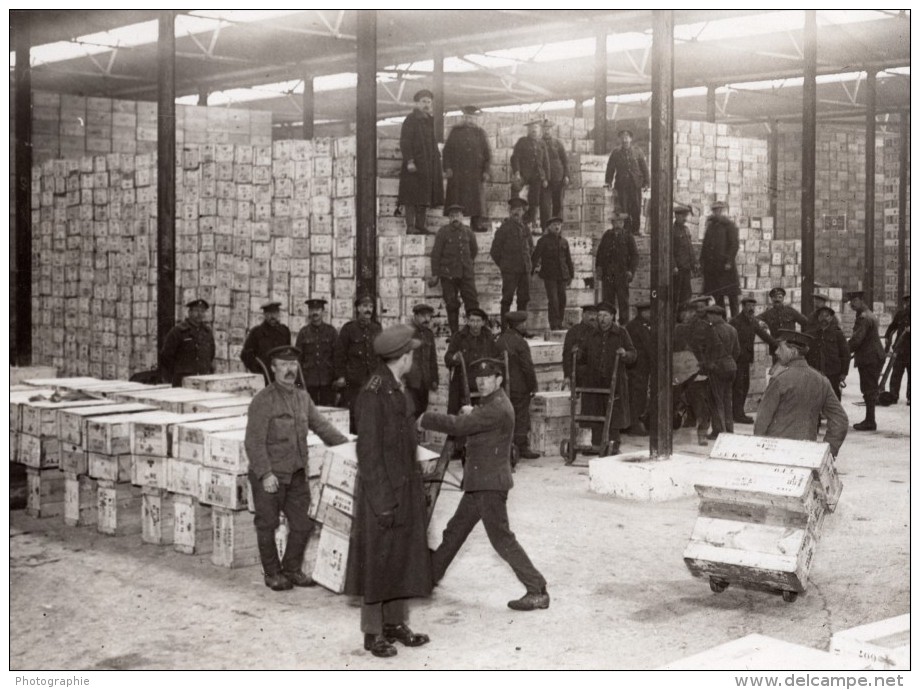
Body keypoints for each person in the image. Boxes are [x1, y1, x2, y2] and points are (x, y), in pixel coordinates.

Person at [418, 357, 549, 612]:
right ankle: (428, 578)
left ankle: (537, 589)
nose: (481, 381)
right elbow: (476, 417)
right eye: (479, 377)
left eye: (487, 377)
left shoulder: (497, 407)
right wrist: (473, 411)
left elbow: (461, 426)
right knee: (454, 532)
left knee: (502, 540)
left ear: (498, 379)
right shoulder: (492, 403)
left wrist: (426, 418)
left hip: (489, 486)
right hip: (480, 483)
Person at [345, 325, 432, 659]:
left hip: (404, 487)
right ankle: (373, 631)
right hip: (381, 492)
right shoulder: (374, 392)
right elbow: (368, 453)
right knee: (378, 560)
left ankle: (395, 623)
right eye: (412, 352)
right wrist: (382, 501)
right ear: (404, 356)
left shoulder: (397, 388)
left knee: (401, 556)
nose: (413, 357)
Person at [245, 345, 350, 592]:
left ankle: (291, 569)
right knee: (267, 524)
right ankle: (272, 573)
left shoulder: (303, 398)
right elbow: (254, 442)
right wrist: (265, 473)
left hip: (296, 474)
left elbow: (322, 426)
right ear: (273, 368)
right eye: (283, 364)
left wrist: (349, 448)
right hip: (270, 475)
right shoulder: (262, 401)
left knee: (303, 524)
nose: (289, 370)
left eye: (293, 364)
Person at [754, 331, 848, 457]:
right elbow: (840, 420)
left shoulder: (779, 380)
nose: (776, 352)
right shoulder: (821, 380)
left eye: (780, 347)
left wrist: (757, 451)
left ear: (793, 351)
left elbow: (762, 420)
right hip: (806, 454)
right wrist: (828, 452)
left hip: (775, 452)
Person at [576, 302, 637, 455]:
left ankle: (613, 444)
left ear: (612, 317)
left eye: (605, 316)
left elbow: (633, 354)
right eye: (599, 315)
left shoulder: (621, 333)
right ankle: (596, 444)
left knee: (614, 413)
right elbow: (582, 356)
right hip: (594, 381)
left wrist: (625, 354)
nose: (601, 319)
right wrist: (578, 353)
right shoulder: (591, 334)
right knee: (595, 412)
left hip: (614, 381)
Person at [398, 88, 443, 235]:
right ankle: (410, 226)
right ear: (417, 103)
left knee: (424, 196)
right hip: (414, 165)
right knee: (411, 197)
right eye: (423, 102)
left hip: (427, 166)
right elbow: (405, 142)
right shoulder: (410, 120)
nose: (427, 104)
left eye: (429, 102)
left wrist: (437, 162)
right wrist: (409, 160)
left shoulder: (429, 121)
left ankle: (420, 225)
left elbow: (432, 143)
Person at [495, 312, 540, 460]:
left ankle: (506, 446)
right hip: (520, 387)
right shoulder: (520, 342)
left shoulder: (499, 340)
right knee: (521, 416)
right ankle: (521, 447)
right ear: (518, 325)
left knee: (506, 416)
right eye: (524, 324)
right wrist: (533, 385)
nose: (526, 326)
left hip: (502, 387)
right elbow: (527, 366)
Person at [334, 295, 382, 432]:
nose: (369, 310)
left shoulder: (376, 329)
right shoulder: (349, 329)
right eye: (365, 306)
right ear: (358, 308)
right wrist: (341, 376)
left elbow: (381, 354)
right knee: (353, 415)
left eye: (371, 307)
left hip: (371, 381)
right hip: (353, 382)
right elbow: (339, 355)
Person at [431, 205, 480, 335]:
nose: (455, 218)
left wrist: (467, 264)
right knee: (452, 305)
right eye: (452, 216)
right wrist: (435, 273)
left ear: (462, 217)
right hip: (448, 275)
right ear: (449, 218)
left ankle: (472, 333)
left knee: (472, 302)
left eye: (458, 215)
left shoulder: (468, 232)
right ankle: (455, 334)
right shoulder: (443, 232)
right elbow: (436, 254)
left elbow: (474, 251)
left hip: (466, 274)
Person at [443, 105, 492, 233]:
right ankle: (456, 223)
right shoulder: (455, 131)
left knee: (476, 201)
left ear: (476, 119)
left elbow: (488, 154)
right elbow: (447, 151)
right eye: (467, 117)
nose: (469, 120)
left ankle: (476, 224)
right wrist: (447, 167)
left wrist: (486, 171)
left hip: (475, 173)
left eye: (472, 118)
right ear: (463, 117)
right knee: (457, 199)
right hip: (458, 172)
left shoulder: (480, 133)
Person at [729, 296, 777, 424]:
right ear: (743, 306)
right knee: (738, 387)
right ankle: (738, 415)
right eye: (749, 306)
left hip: (746, 360)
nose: (752, 308)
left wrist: (778, 345)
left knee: (745, 386)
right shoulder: (735, 322)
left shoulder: (753, 322)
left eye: (753, 306)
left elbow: (764, 335)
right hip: (736, 359)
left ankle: (738, 413)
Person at [445, 308, 500, 417]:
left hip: (483, 384)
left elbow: (496, 358)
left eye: (478, 321)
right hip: (462, 384)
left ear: (483, 322)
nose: (475, 324)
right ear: (468, 321)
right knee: (458, 418)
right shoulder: (459, 337)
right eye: (472, 321)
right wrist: (454, 358)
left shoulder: (488, 338)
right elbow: (448, 357)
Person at [674, 299, 713, 446]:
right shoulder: (677, 329)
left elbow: (709, 347)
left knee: (700, 402)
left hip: (698, 370)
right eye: (683, 313)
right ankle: (686, 421)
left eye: (688, 312)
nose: (685, 315)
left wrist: (704, 365)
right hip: (681, 370)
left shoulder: (704, 327)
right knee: (682, 399)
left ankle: (702, 433)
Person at [490, 197, 534, 323]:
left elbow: (530, 247)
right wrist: (505, 265)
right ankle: (505, 330)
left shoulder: (525, 228)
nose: (517, 212)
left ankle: (520, 329)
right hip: (510, 271)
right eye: (514, 209)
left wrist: (527, 263)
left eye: (519, 209)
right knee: (507, 299)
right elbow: (494, 251)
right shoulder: (504, 228)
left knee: (523, 299)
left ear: (523, 212)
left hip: (524, 270)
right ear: (510, 211)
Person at [847, 291, 886, 431]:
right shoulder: (868, 314)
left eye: (854, 301)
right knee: (870, 389)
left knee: (869, 389)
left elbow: (857, 339)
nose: (852, 304)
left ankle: (870, 421)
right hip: (873, 356)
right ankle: (870, 419)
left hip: (870, 357)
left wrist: (844, 351)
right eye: (850, 302)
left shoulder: (863, 318)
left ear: (861, 301)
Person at [703, 304, 740, 439]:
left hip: (718, 368)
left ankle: (718, 431)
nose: (707, 318)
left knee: (715, 399)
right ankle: (729, 430)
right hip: (731, 367)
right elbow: (737, 351)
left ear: (714, 315)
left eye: (709, 315)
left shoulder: (712, 330)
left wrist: (708, 365)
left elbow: (710, 352)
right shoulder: (732, 329)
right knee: (727, 399)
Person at [530, 216, 574, 331]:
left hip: (562, 275)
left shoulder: (564, 241)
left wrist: (571, 274)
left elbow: (568, 259)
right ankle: (554, 324)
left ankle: (559, 322)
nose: (557, 226)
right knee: (553, 300)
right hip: (549, 276)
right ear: (549, 227)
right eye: (554, 225)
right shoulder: (543, 241)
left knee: (562, 299)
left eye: (559, 224)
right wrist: (529, 273)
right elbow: (535, 258)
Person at [159, 298, 215, 387]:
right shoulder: (178, 331)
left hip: (203, 380)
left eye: (202, 311)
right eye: (196, 311)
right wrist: (177, 372)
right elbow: (166, 356)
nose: (199, 314)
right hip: (182, 380)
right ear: (189, 312)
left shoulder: (207, 332)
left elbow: (211, 354)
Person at [604, 128, 649, 235]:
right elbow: (610, 168)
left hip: (635, 184)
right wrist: (608, 181)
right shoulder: (616, 152)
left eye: (627, 137)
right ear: (620, 139)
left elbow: (644, 168)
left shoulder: (638, 151)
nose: (625, 140)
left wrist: (647, 182)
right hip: (622, 185)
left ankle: (636, 229)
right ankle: (627, 230)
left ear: (631, 139)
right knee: (624, 208)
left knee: (636, 207)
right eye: (623, 137)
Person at [596, 212, 638, 325]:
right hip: (608, 274)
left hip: (622, 273)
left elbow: (634, 255)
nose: (618, 224)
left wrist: (631, 271)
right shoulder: (607, 235)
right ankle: (610, 322)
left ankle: (624, 323)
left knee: (623, 300)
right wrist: (599, 268)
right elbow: (600, 253)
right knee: (608, 300)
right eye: (616, 222)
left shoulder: (628, 236)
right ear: (612, 223)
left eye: (620, 222)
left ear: (623, 223)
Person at [295, 298, 339, 407]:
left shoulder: (331, 332)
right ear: (309, 312)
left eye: (318, 309)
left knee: (327, 413)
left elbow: (338, 356)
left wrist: (338, 378)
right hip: (309, 382)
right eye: (312, 310)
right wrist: (299, 383)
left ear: (323, 312)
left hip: (328, 381)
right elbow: (298, 360)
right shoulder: (303, 333)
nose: (315, 313)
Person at [700, 201, 740, 318]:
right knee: (718, 296)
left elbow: (734, 245)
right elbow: (705, 245)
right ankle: (722, 321)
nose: (717, 213)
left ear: (722, 211)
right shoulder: (710, 226)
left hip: (726, 268)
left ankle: (735, 320)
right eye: (715, 211)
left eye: (719, 210)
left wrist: (729, 261)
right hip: (714, 268)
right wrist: (702, 261)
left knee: (732, 296)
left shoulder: (729, 225)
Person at [510, 120, 550, 231]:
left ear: (539, 130)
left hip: (537, 176)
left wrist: (546, 178)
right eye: (532, 128)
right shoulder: (522, 142)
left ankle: (531, 222)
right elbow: (515, 158)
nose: (534, 130)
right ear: (528, 130)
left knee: (535, 199)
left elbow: (546, 162)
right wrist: (517, 172)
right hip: (524, 174)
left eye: (536, 127)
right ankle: (515, 217)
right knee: (515, 189)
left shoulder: (542, 143)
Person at [805, 305, 850, 401]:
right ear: (818, 318)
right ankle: (818, 416)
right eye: (821, 316)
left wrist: (844, 372)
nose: (824, 318)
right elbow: (807, 353)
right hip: (816, 370)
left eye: (827, 316)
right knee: (816, 395)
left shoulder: (838, 334)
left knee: (834, 395)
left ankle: (835, 415)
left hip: (832, 370)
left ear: (831, 318)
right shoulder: (812, 334)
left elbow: (845, 354)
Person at [241, 301, 291, 384]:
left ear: (278, 314)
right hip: (264, 379)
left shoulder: (284, 331)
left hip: (281, 377)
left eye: (274, 313)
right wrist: (259, 371)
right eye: (269, 313)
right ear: (264, 315)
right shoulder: (256, 333)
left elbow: (288, 353)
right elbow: (245, 356)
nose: (272, 316)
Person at [404, 303, 439, 419]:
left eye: (429, 316)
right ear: (416, 316)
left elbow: (432, 358)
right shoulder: (407, 333)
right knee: (410, 414)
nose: (427, 319)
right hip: (410, 383)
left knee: (421, 414)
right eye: (423, 316)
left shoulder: (429, 334)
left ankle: (417, 437)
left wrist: (434, 379)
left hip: (425, 382)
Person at [624, 302, 652, 436]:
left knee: (640, 395)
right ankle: (634, 423)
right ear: (642, 312)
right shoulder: (634, 326)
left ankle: (638, 421)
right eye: (649, 312)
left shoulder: (645, 325)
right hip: (636, 367)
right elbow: (647, 346)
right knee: (636, 395)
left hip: (643, 366)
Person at [759, 287, 808, 361]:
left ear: (783, 299)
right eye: (775, 297)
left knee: (790, 370)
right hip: (776, 348)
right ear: (771, 299)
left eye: (780, 297)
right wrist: (762, 324)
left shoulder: (790, 311)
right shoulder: (768, 313)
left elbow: (805, 322)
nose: (777, 299)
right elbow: (755, 320)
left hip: (790, 348)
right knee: (777, 370)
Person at [562, 305, 598, 390]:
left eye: (594, 314)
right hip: (579, 374)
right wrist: (567, 375)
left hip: (596, 375)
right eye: (590, 314)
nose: (592, 317)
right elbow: (567, 355)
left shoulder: (599, 331)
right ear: (583, 315)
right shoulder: (574, 331)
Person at [540, 119, 569, 220]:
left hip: (558, 179)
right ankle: (545, 229)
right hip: (545, 181)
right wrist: (543, 178)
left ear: (551, 130)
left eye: (548, 129)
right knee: (545, 206)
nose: (546, 131)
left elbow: (565, 160)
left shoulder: (558, 143)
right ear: (541, 130)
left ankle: (556, 227)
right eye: (544, 129)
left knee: (557, 204)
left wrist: (566, 175)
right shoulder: (538, 143)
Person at [672, 203, 699, 312]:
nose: (684, 219)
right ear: (677, 216)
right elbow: (669, 251)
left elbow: (690, 248)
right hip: (678, 269)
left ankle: (683, 318)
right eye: (682, 216)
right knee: (676, 295)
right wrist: (673, 266)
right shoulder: (672, 231)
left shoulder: (686, 229)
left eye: (685, 216)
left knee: (687, 295)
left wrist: (695, 263)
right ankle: (673, 319)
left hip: (686, 268)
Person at [884, 294, 910, 405]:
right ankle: (893, 395)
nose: (908, 304)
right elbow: (892, 326)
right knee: (896, 373)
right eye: (907, 302)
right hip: (900, 349)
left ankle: (911, 398)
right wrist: (886, 336)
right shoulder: (901, 314)